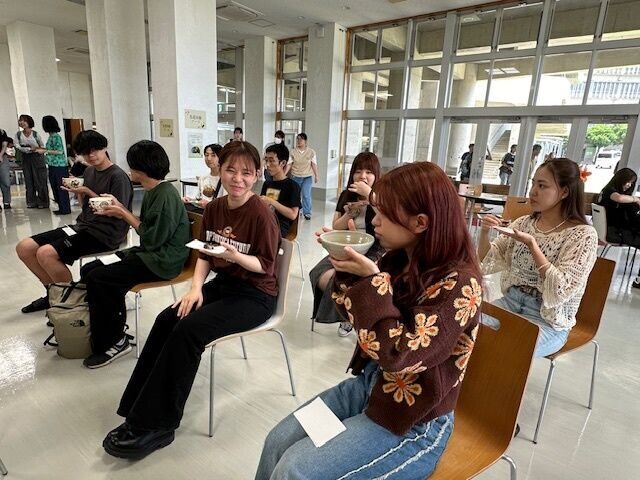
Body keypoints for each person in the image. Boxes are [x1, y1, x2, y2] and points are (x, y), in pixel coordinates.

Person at [256, 162, 483, 479]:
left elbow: (398, 356)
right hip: (370, 387)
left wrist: (372, 281)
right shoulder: (399, 259)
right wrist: (346, 266)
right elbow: (348, 312)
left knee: (296, 470)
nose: (374, 221)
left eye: (384, 214)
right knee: (277, 442)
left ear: (420, 222)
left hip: (415, 420)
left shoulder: (460, 284)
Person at [102, 141, 280, 459]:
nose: (238, 179)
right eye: (230, 170)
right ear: (220, 171)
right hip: (224, 285)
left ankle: (159, 425)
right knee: (167, 319)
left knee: (188, 331)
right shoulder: (214, 208)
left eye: (246, 173)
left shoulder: (262, 215)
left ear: (256, 175)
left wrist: (235, 256)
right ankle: (136, 409)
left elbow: (265, 266)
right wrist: (195, 288)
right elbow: (204, 254)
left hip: (256, 295)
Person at [80, 141, 190, 368]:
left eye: (131, 166)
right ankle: (109, 327)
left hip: (163, 260)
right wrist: (121, 208)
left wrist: (124, 214)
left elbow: (152, 238)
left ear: (140, 169)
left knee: (100, 278)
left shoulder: (165, 195)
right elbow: (149, 231)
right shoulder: (154, 190)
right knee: (90, 269)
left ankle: (114, 341)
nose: (129, 170)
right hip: (150, 253)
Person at [478, 159, 598, 357]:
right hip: (509, 302)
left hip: (547, 320)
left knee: (504, 352)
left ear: (564, 192)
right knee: (462, 329)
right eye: (533, 183)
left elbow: (560, 289)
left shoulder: (583, 235)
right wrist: (484, 233)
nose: (532, 191)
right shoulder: (524, 223)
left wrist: (532, 245)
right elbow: (487, 258)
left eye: (542, 186)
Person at [15, 130, 133, 313]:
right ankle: (54, 294)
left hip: (105, 233)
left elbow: (120, 214)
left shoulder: (117, 176)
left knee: (46, 253)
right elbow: (86, 207)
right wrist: (78, 192)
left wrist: (87, 191)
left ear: (104, 147)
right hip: (83, 226)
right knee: (25, 248)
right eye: (85, 153)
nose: (91, 156)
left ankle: (70, 301)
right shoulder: (89, 171)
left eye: (95, 150)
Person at [309, 152, 385, 337]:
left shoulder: (382, 197)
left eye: (369, 172)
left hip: (375, 248)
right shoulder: (346, 195)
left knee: (349, 280)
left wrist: (370, 196)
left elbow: (389, 217)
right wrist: (350, 213)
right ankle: (346, 312)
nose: (363, 176)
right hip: (349, 246)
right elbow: (336, 226)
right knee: (318, 273)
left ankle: (349, 317)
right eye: (358, 171)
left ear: (376, 175)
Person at [596, 168, 640, 289]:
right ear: (621, 179)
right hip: (614, 232)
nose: (629, 185)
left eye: (631, 183)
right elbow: (619, 198)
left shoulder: (609, 191)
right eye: (628, 181)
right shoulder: (609, 191)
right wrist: (636, 199)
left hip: (613, 230)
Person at [260, 142, 300, 237]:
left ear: (283, 163)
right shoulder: (267, 183)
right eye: (266, 160)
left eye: (271, 161)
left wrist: (271, 201)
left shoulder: (292, 186)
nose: (267, 165)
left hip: (280, 227)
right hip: (265, 222)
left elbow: (293, 215)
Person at [37, 115, 71, 215]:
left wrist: (45, 151)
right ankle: (62, 208)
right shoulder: (51, 136)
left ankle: (65, 209)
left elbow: (59, 151)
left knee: (60, 188)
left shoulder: (56, 137)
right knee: (55, 187)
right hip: (53, 165)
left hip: (59, 166)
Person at [15, 114, 48, 209]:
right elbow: (16, 145)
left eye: (24, 120)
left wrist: (35, 148)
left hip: (37, 157)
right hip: (25, 157)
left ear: (29, 122)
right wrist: (27, 149)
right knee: (28, 180)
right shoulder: (18, 134)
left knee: (40, 180)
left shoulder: (35, 134)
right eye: (20, 120)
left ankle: (43, 202)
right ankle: (31, 201)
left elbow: (42, 146)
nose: (22, 122)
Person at [182, 143, 225, 211]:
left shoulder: (225, 180)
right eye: (206, 155)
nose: (209, 158)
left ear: (221, 157)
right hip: (204, 213)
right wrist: (190, 200)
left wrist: (209, 204)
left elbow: (227, 205)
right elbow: (199, 199)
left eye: (213, 155)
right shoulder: (203, 178)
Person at [286, 133, 318, 220]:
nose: (299, 141)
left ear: (305, 141)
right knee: (295, 195)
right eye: (298, 139)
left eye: (301, 139)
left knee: (306, 194)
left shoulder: (311, 152)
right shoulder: (292, 152)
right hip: (295, 176)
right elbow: (289, 164)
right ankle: (296, 211)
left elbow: (314, 164)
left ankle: (307, 213)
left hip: (307, 177)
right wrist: (284, 174)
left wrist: (316, 175)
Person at [0, 129, 12, 209]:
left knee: (5, 181)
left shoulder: (2, 132)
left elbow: (4, 144)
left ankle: (6, 202)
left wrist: (0, 155)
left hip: (2, 157)